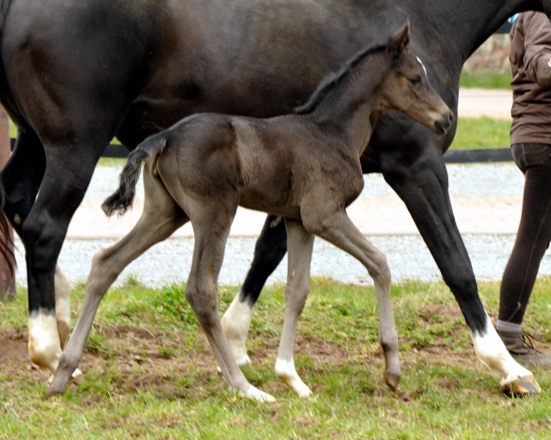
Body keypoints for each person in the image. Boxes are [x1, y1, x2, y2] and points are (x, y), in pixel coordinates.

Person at [496, 11, 551, 367]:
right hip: (544, 141)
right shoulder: (541, 14)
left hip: (534, 137)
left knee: (535, 238)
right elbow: (542, 66)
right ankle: (509, 339)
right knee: (531, 239)